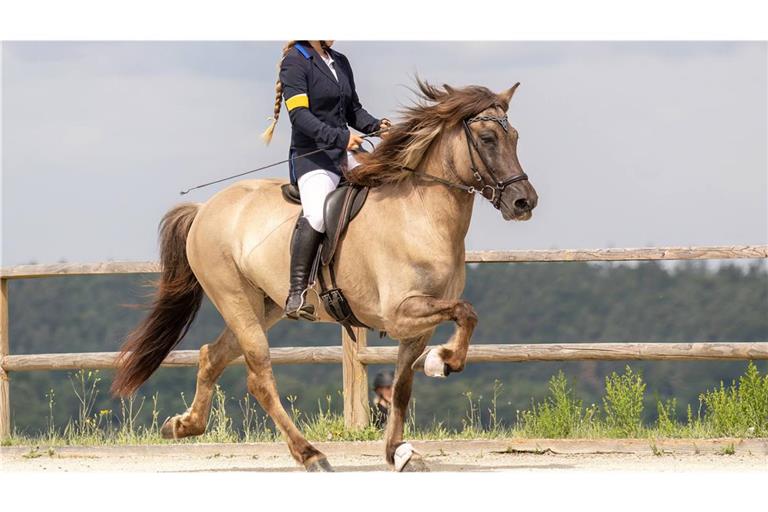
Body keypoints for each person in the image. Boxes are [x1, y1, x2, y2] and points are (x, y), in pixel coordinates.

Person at [262, 40, 390, 321]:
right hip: (314, 157)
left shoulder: (339, 60)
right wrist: (341, 138)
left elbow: (353, 110)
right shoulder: (295, 61)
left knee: (387, 190)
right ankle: (296, 293)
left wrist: (378, 127)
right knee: (317, 215)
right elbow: (300, 118)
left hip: (348, 152)